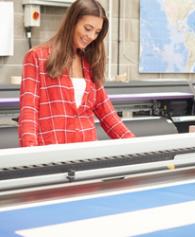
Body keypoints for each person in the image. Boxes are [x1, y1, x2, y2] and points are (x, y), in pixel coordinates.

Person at [18, 0, 135, 147]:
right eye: (87, 28)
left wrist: (136, 146)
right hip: (51, 154)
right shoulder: (37, 57)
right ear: (72, 22)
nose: (92, 36)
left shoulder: (89, 62)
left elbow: (108, 114)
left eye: (97, 32)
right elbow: (29, 112)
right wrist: (30, 156)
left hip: (86, 154)